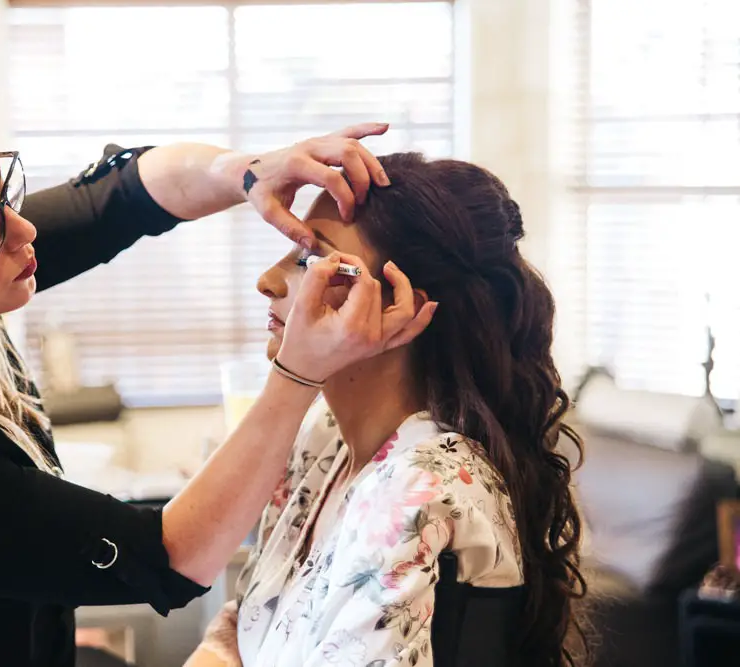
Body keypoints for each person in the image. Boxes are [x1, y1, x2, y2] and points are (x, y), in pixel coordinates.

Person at [0, 98, 438, 667]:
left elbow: (125, 196)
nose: (23, 231)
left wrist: (249, 171)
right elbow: (170, 556)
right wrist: (296, 374)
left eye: (2, 190)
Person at [186, 152, 588, 667]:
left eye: (313, 261)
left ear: (402, 307)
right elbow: (247, 628)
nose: (268, 280)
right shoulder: (324, 439)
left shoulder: (420, 486)